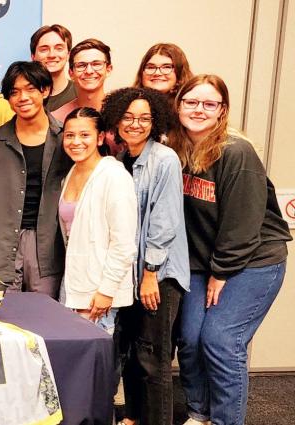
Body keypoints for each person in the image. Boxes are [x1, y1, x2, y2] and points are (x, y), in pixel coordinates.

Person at [169, 75, 291, 425]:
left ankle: (225, 420)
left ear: (222, 110)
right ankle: (199, 412)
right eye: (191, 102)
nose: (199, 110)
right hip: (204, 260)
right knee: (190, 339)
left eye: (210, 104)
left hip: (253, 262)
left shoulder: (235, 151)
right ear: (178, 105)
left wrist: (221, 273)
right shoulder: (177, 148)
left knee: (221, 341)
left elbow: (242, 225)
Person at [102, 87, 189, 425]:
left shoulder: (164, 159)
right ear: (116, 119)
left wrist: (150, 273)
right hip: (132, 274)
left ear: (155, 121)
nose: (135, 124)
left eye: (144, 118)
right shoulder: (121, 161)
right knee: (133, 354)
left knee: (154, 359)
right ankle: (134, 417)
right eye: (128, 117)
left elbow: (164, 223)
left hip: (159, 275)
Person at [0, 61, 72, 299]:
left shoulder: (66, 140)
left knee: (45, 320)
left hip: (48, 248)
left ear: (45, 90)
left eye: (30, 89)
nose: (23, 97)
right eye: (14, 92)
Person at [56, 106, 137, 332]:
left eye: (85, 135)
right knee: (73, 359)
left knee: (91, 362)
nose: (76, 142)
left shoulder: (115, 176)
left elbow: (123, 243)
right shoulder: (72, 172)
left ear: (100, 137)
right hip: (72, 283)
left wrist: (106, 291)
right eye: (70, 135)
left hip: (98, 289)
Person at [51, 38, 113, 124]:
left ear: (108, 70)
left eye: (96, 64)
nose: (89, 71)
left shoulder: (123, 114)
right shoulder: (56, 119)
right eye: (81, 65)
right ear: (71, 73)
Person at [30, 24, 76, 112]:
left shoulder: (80, 92)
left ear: (68, 55)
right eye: (44, 49)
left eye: (59, 48)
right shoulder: (23, 96)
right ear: (33, 57)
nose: (52, 55)